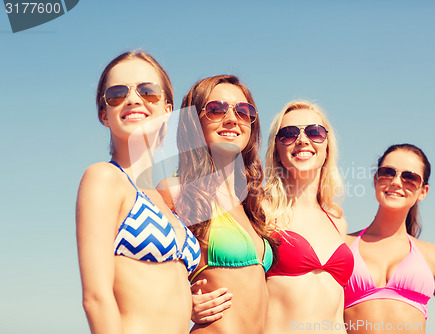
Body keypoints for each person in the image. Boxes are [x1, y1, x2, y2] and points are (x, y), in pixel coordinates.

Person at [191, 101, 354, 334]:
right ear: (276, 150)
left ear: (328, 146)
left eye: (314, 132)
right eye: (288, 134)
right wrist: (187, 302)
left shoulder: (338, 223)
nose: (302, 140)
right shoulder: (259, 210)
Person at [76, 51, 200, 334]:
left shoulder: (160, 197)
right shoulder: (105, 178)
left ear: (168, 109)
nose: (133, 99)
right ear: (103, 115)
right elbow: (96, 298)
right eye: (117, 94)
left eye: (148, 91)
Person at [171, 75, 276, 334]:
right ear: (193, 122)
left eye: (243, 111)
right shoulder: (175, 190)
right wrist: (182, 304)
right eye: (216, 109)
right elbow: (135, 271)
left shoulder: (253, 204)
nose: (232, 118)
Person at [344, 143, 435, 334]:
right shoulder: (342, 246)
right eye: (388, 172)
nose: (396, 182)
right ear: (375, 180)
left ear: (423, 191)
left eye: (410, 177)